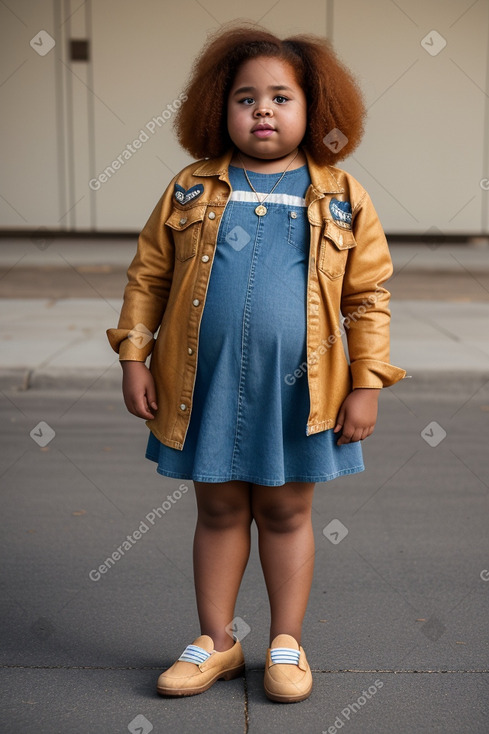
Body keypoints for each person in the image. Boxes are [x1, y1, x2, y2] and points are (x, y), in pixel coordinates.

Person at [106, 23, 406, 703]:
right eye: (245, 98)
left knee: (286, 512)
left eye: (279, 97)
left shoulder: (341, 195)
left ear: (315, 110)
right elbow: (148, 277)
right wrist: (134, 355)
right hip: (205, 386)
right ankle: (215, 639)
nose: (262, 110)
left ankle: (285, 642)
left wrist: (365, 383)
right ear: (219, 108)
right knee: (215, 509)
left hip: (297, 392)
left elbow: (367, 296)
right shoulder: (189, 189)